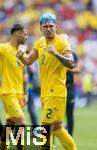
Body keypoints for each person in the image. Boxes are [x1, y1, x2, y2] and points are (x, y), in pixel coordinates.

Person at [17, 13, 77, 150]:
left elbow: (71, 63)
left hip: (56, 92)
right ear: (40, 28)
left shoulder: (62, 42)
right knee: (56, 128)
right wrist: (21, 57)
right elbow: (29, 60)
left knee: (45, 127)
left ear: (56, 27)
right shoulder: (40, 43)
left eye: (51, 26)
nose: (49, 29)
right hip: (45, 93)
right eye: (45, 26)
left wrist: (56, 53)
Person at [0, 24, 28, 149]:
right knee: (21, 123)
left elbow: (24, 75)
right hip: (8, 93)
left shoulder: (21, 53)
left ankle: (2, 146)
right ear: (18, 34)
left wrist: (25, 93)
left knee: (10, 123)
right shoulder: (4, 48)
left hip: (19, 94)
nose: (27, 36)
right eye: (25, 34)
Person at [66, 51, 81, 136]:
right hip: (58, 88)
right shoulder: (56, 52)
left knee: (70, 114)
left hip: (70, 88)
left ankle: (70, 137)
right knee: (54, 117)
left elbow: (78, 69)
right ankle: (51, 141)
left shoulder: (73, 54)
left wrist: (67, 69)